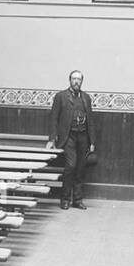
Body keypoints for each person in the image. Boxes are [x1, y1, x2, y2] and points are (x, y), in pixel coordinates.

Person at [47, 70, 94, 210]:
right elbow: (53, 119)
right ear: (69, 80)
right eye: (74, 79)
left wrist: (92, 142)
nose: (76, 81)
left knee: (80, 169)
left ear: (82, 81)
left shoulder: (86, 98)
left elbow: (91, 121)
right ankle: (65, 199)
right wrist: (52, 139)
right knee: (71, 166)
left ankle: (77, 200)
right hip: (68, 137)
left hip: (83, 137)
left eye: (79, 79)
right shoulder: (60, 96)